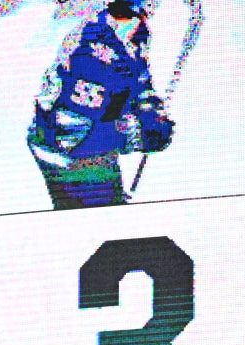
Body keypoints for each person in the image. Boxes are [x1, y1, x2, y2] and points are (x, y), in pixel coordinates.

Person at [28, 0, 174, 208]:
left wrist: (149, 107)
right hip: (66, 152)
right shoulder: (90, 44)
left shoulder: (137, 32)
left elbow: (139, 79)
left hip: (89, 147)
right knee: (97, 215)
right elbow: (75, 127)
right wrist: (137, 135)